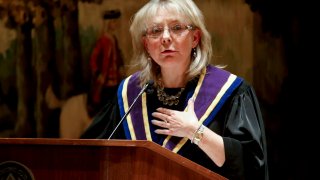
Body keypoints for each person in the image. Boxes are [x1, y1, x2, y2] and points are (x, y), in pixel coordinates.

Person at [81, 0, 268, 179]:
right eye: (155, 31)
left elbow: (250, 167)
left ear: (195, 38)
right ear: (146, 44)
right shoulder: (130, 93)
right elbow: (86, 156)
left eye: (177, 28)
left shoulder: (231, 91)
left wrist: (195, 131)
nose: (165, 38)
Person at [87, 9, 124, 117]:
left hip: (115, 80)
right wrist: (98, 74)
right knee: (105, 106)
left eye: (116, 21)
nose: (115, 24)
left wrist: (121, 67)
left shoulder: (114, 39)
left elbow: (118, 57)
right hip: (105, 82)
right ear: (108, 23)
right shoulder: (103, 40)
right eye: (113, 21)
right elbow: (93, 59)